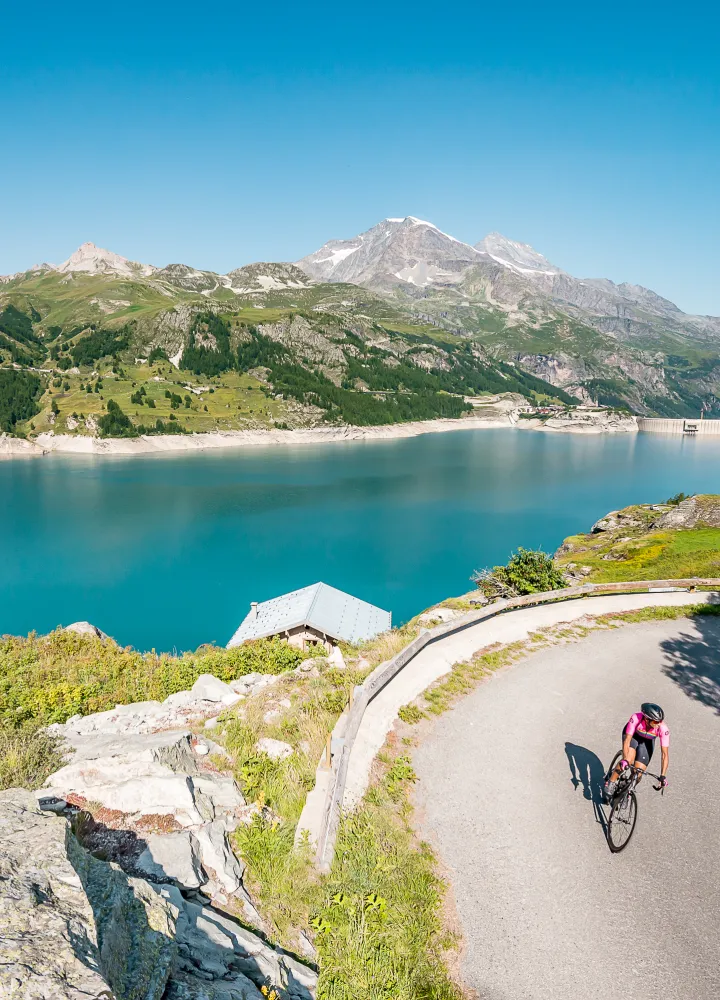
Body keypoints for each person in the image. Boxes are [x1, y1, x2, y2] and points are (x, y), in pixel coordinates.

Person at [604, 702, 669, 802]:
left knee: (638, 773)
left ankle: (627, 791)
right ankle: (611, 782)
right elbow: (627, 740)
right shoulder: (636, 718)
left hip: (647, 742)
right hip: (633, 736)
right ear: (647, 719)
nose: (659, 724)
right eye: (656, 722)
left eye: (660, 721)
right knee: (628, 761)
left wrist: (663, 776)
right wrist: (625, 760)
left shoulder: (663, 729)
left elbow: (664, 754)